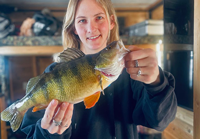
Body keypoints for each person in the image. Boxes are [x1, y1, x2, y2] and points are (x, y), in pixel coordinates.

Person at [20, 0, 177, 138]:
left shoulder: (133, 71)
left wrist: (156, 83)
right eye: (82, 20)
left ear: (111, 21)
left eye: (99, 17)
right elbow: (33, 133)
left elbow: (159, 121)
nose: (91, 28)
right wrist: (49, 133)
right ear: (74, 28)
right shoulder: (54, 72)